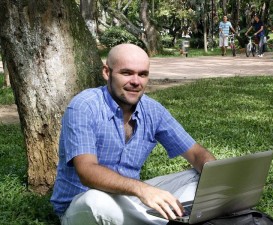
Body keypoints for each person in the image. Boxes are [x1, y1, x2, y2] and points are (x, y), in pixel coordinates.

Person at [50, 43, 216, 225]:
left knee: (201, 176)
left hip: (131, 199)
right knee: (96, 202)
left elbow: (196, 153)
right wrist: (142, 190)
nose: (136, 81)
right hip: (82, 204)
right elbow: (87, 171)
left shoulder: (153, 110)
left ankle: (165, 218)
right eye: (127, 73)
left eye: (142, 74)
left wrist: (223, 181)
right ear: (107, 72)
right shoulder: (84, 106)